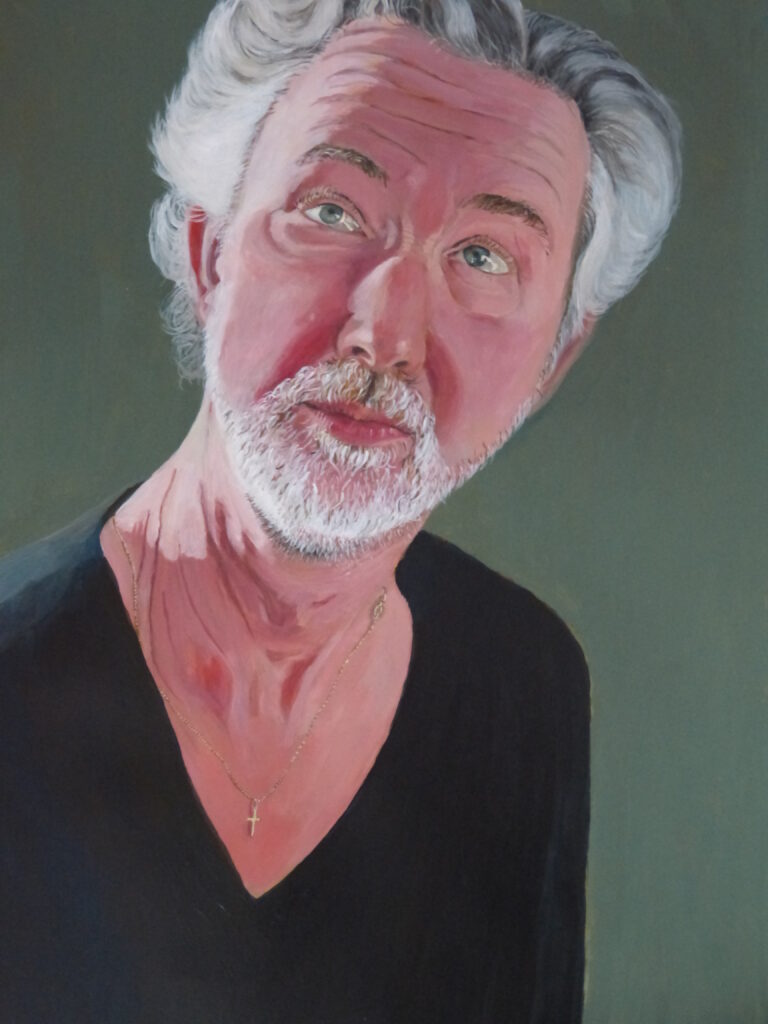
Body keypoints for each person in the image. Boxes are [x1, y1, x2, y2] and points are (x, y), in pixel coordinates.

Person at [0, 1, 681, 1021]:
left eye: (485, 257)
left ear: (553, 359)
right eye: (331, 212)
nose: (386, 334)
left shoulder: (522, 685)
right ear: (210, 255)